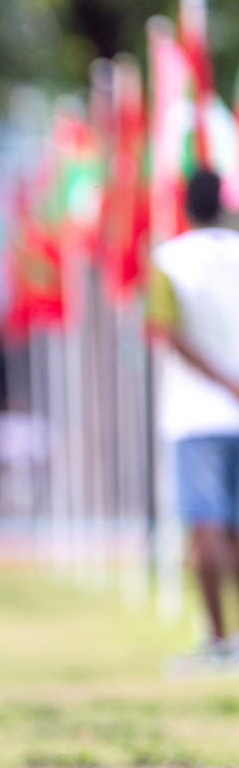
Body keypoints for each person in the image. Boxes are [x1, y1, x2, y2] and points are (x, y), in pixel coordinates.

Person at [148, 167, 239, 664]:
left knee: (205, 528)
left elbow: (164, 331)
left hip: (195, 415)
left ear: (184, 207)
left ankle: (218, 640)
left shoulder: (168, 260)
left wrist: (224, 381)